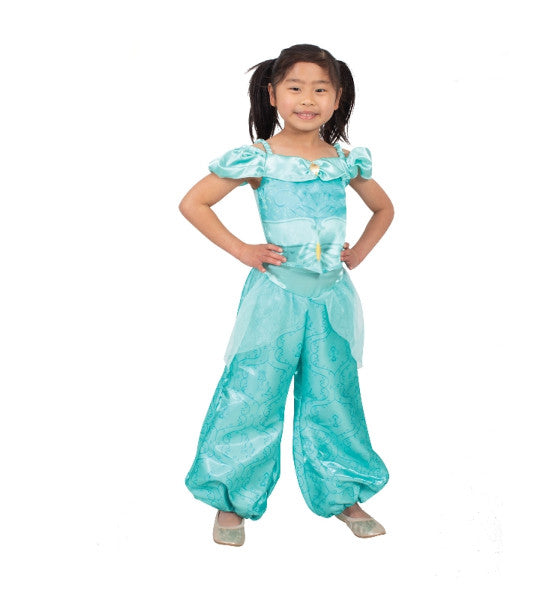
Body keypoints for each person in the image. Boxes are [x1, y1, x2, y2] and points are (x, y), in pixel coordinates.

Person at [179, 43, 394, 547]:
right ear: (273, 94)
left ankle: (343, 490)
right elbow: (194, 203)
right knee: (253, 392)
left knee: (334, 394)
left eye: (321, 89)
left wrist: (359, 252)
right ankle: (232, 498)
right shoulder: (260, 160)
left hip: (332, 298)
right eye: (295, 87)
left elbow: (384, 208)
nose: (307, 99)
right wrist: (243, 250)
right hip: (276, 297)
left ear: (338, 98)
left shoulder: (344, 161)